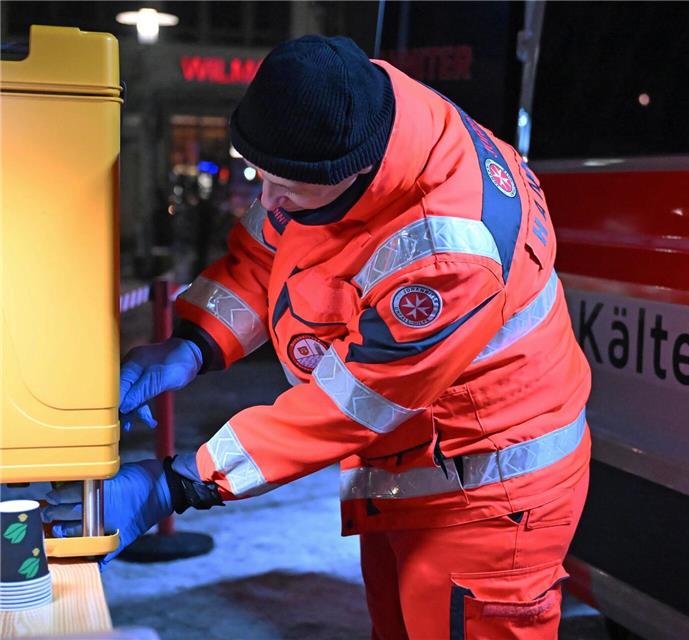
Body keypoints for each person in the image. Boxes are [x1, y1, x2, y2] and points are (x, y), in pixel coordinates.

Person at [45, 35, 591, 639]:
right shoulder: (349, 117)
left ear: (354, 171)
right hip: (412, 469)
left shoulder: (446, 250)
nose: (267, 200)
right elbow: (267, 253)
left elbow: (348, 405)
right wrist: (192, 344)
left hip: (488, 499)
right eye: (261, 177)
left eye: (288, 191)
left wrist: (178, 482)